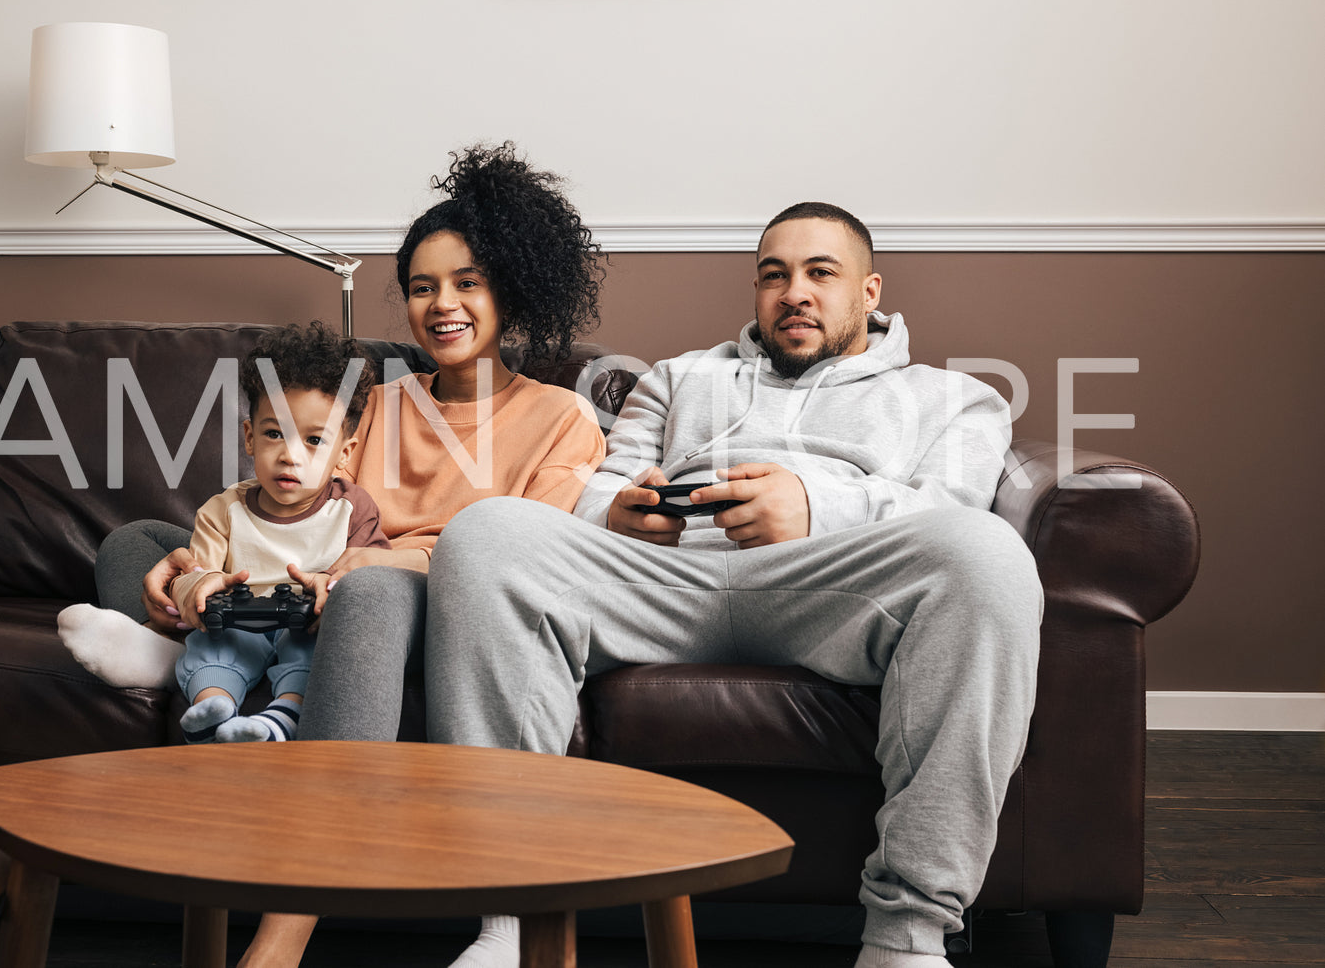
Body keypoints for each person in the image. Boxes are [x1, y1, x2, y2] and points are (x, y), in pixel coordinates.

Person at [422, 202, 1044, 968]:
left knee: (988, 554)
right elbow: (594, 490)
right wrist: (619, 511)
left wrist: (815, 506)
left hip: (831, 587)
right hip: (665, 578)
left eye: (820, 273)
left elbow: (946, 511)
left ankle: (906, 939)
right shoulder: (676, 379)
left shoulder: (954, 399)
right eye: (773, 275)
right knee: (487, 533)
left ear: (870, 291)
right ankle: (508, 925)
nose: (794, 292)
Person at [77, 142, 608, 968]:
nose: (443, 305)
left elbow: (527, 556)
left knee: (369, 591)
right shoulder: (373, 402)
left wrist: (375, 569)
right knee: (133, 541)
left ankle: (288, 922)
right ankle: (188, 642)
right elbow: (295, 507)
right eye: (423, 287)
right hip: (310, 581)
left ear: (510, 288)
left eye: (467, 282)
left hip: (433, 601)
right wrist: (198, 566)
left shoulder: (562, 417)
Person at [170, 322, 389, 744]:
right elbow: (191, 574)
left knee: (318, 656)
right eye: (274, 434)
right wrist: (200, 585)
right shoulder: (223, 510)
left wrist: (334, 591)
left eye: (313, 441)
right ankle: (212, 708)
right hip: (239, 626)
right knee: (211, 647)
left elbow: (373, 584)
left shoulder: (353, 510)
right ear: (249, 438)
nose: (290, 455)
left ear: (344, 453)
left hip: (305, 629)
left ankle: (280, 718)